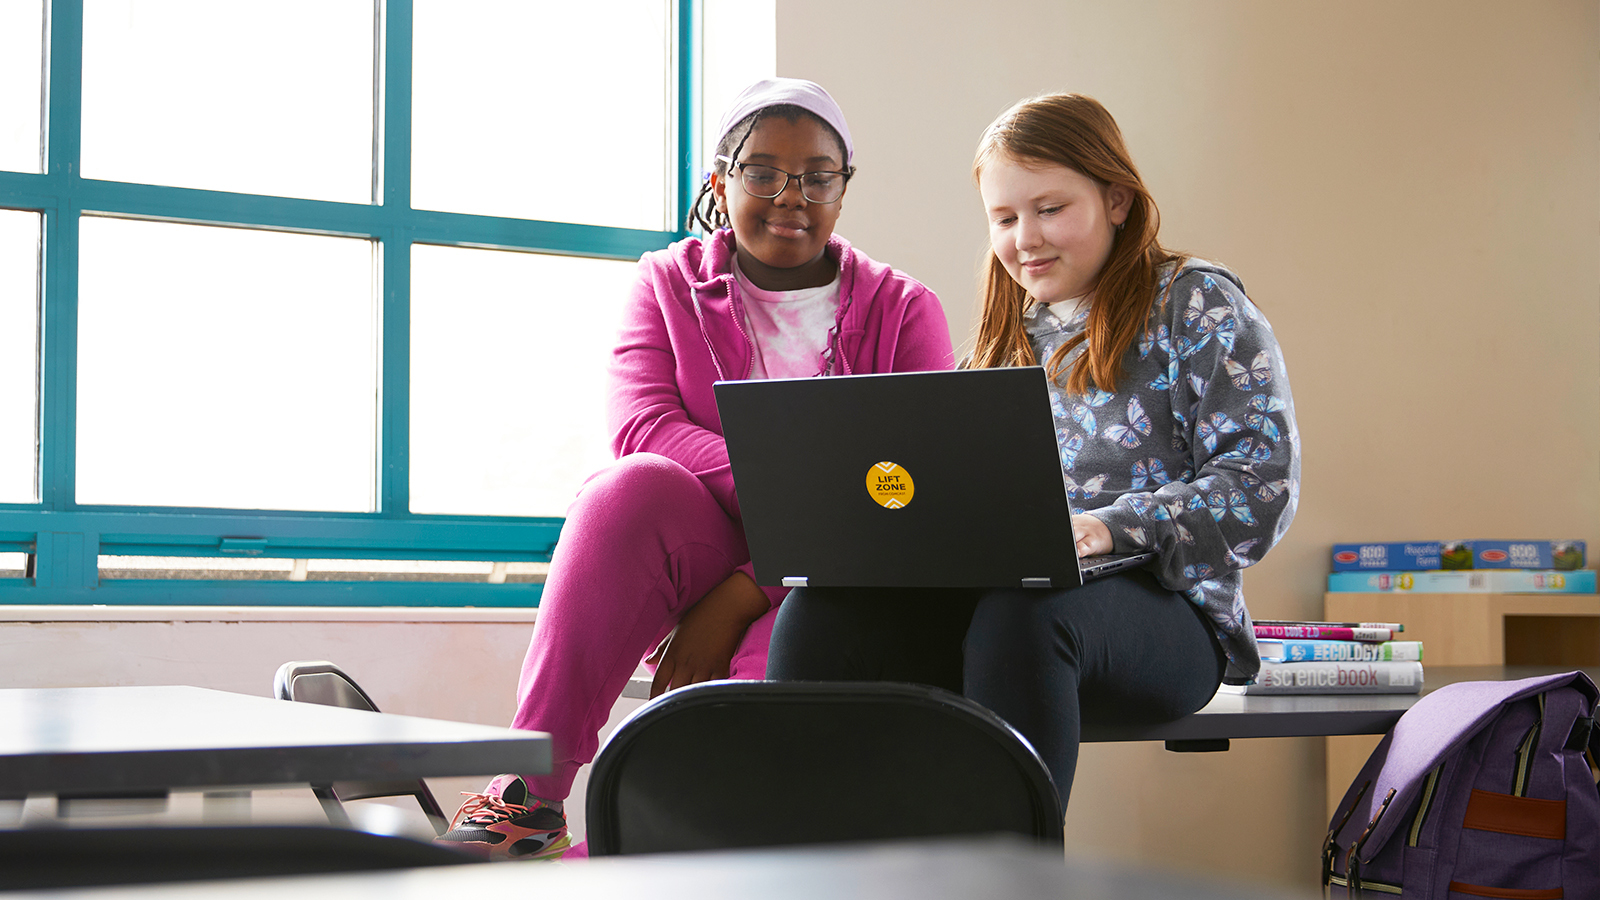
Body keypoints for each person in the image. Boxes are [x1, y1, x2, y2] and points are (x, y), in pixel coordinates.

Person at [436, 78, 954, 859]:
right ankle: (525, 797)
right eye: (762, 172)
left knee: (779, 651)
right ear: (720, 179)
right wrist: (808, 489)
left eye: (819, 175)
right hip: (699, 545)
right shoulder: (665, 283)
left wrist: (750, 588)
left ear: (844, 189)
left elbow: (905, 500)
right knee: (626, 488)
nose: (792, 196)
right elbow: (646, 428)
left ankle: (654, 851)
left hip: (838, 579)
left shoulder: (904, 311)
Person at [766, 93, 1299, 810]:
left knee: (1027, 615)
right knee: (821, 613)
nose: (1025, 238)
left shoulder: (1196, 303)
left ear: (1116, 199)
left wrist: (1109, 527)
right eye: (1005, 218)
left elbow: (1259, 486)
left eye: (1050, 209)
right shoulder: (1000, 339)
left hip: (1168, 615)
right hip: (1005, 605)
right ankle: (815, 864)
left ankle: (1009, 879)